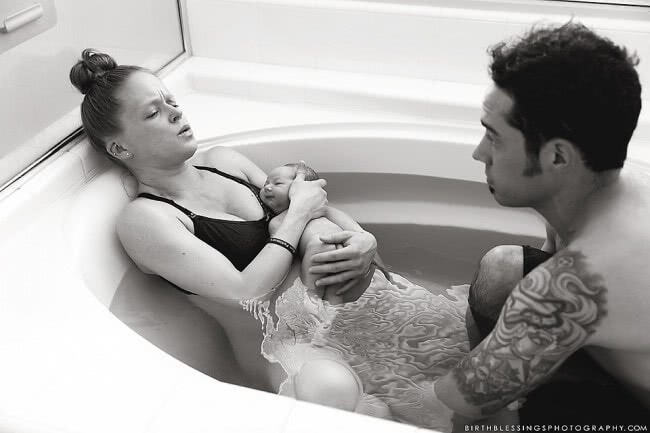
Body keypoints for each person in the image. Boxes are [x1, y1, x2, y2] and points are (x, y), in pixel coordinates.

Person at [68, 49, 471, 430]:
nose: (175, 112)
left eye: (170, 100)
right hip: (283, 342)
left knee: (466, 345)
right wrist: (297, 215)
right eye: (153, 112)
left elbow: (317, 209)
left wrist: (365, 240)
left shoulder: (226, 162)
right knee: (334, 391)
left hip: (350, 309)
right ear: (120, 147)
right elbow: (243, 290)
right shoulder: (145, 219)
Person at [414, 22, 649, 426]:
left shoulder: (573, 283)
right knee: (502, 270)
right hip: (616, 365)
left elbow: (444, 406)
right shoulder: (600, 195)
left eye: (494, 137)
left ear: (557, 157)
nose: (479, 153)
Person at [260, 162, 391, 304]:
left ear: (309, 190)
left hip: (319, 248)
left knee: (312, 292)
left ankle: (313, 301)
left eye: (277, 183)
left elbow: (281, 258)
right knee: (336, 291)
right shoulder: (327, 210)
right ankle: (333, 305)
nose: (267, 187)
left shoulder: (278, 222)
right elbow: (360, 234)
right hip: (344, 249)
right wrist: (384, 271)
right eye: (266, 183)